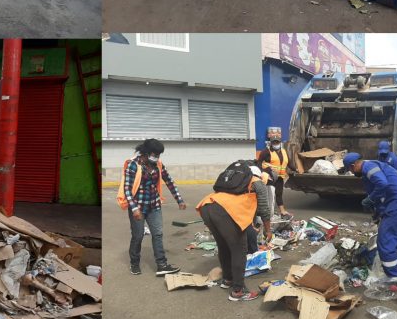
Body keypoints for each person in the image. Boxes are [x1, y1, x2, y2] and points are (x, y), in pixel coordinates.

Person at [196, 160, 274, 302]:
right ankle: (238, 291)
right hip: (226, 212)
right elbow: (264, 209)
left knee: (224, 245)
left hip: (208, 205)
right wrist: (268, 230)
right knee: (239, 249)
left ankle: (228, 279)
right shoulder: (258, 183)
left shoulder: (235, 181)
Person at [341, 152, 397, 281]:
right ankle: (395, 269)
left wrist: (370, 199)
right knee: (395, 240)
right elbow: (381, 194)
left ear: (353, 166)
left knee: (385, 242)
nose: (352, 173)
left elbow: (383, 184)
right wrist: (378, 212)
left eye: (350, 170)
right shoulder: (372, 167)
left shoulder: (368, 168)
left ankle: (395, 278)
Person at [117, 138, 183, 277]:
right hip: (138, 207)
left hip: (154, 205)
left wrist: (179, 199)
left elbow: (169, 181)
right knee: (138, 236)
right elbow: (127, 189)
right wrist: (134, 208)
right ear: (146, 153)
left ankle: (162, 265)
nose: (157, 157)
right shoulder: (133, 165)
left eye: (159, 155)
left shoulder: (158, 165)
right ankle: (134, 263)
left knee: (158, 234)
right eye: (155, 154)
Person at [256, 127, 292, 220]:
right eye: (274, 142)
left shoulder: (284, 151)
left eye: (277, 142)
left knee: (279, 194)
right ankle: (268, 215)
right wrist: (264, 172)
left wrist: (295, 170)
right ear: (271, 143)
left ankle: (282, 211)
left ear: (280, 142)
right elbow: (259, 163)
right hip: (270, 177)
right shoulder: (266, 152)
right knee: (270, 196)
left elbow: (287, 162)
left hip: (280, 177)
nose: (276, 144)